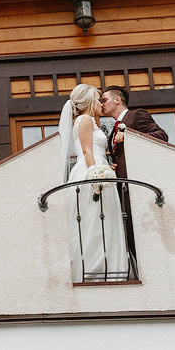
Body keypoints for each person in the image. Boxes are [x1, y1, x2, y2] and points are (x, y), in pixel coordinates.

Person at [58, 83, 129, 281]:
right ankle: (95, 271)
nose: (101, 104)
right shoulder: (86, 119)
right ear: (89, 102)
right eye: (98, 100)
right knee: (94, 220)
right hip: (92, 171)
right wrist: (95, 175)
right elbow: (87, 150)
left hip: (99, 168)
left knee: (100, 219)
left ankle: (105, 268)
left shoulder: (88, 121)